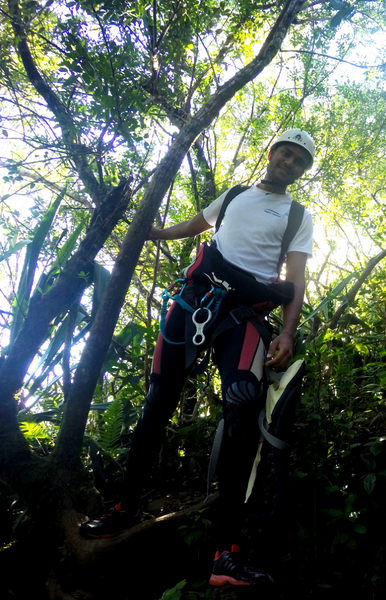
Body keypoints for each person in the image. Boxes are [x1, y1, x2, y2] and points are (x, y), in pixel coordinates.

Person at [78, 129, 316, 586]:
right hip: (192, 302)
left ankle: (225, 554)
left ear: (302, 172)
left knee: (244, 406)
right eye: (285, 152)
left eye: (299, 161)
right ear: (271, 153)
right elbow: (195, 226)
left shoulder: (296, 216)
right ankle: (126, 509)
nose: (289, 162)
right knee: (156, 407)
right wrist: (152, 233)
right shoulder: (232, 196)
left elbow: (295, 276)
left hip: (246, 315)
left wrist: (287, 332)